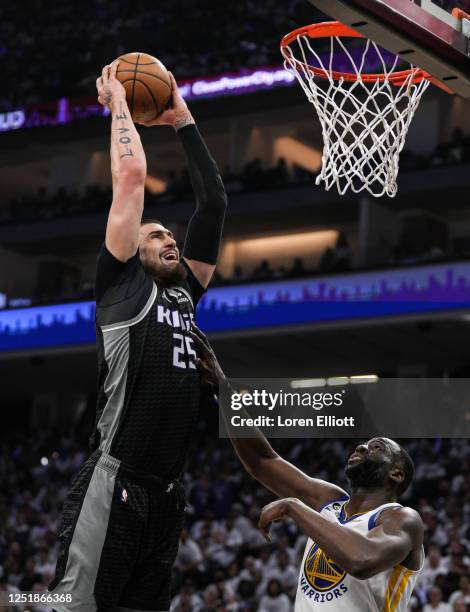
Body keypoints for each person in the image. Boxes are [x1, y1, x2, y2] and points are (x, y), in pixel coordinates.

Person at [48, 62, 227, 612]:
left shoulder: (184, 294)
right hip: (113, 479)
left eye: (171, 233)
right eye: (155, 234)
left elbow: (213, 203)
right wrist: (119, 101)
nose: (169, 236)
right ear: (133, 250)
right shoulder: (121, 285)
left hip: (168, 496)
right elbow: (130, 179)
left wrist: (182, 118)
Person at [189, 326, 425, 611]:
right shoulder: (330, 501)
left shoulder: (402, 519)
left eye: (377, 448)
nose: (362, 448)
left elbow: (362, 561)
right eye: (362, 445)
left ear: (396, 474)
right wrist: (224, 388)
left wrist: (293, 506)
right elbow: (262, 461)